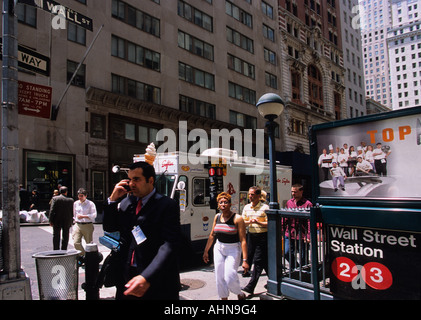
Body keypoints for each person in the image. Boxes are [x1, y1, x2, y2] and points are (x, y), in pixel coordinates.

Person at [103, 161, 181, 300]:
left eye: (136, 179)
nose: (131, 184)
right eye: (130, 179)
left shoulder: (167, 205)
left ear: (150, 181)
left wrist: (147, 277)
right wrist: (113, 200)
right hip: (128, 278)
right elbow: (109, 227)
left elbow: (169, 245)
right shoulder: (127, 202)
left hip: (155, 280)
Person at [203, 192, 248, 300]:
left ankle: (239, 293)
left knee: (230, 276)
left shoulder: (238, 218)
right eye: (221, 202)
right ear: (218, 205)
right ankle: (223, 298)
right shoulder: (217, 217)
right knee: (219, 276)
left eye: (225, 202)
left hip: (233, 249)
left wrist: (245, 260)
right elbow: (212, 235)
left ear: (230, 204)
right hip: (219, 247)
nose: (223, 204)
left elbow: (243, 240)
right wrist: (206, 251)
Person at [241, 186, 269, 295]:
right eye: (249, 194)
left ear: (258, 195)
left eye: (252, 194)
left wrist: (259, 222)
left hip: (262, 236)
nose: (250, 196)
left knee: (258, 261)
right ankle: (276, 280)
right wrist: (250, 222)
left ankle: (250, 287)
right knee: (262, 261)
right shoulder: (247, 207)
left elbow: (269, 223)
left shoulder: (265, 207)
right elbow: (243, 221)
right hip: (251, 236)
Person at [284, 184, 312, 269]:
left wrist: (308, 235)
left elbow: (309, 222)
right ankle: (295, 267)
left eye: (295, 192)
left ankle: (303, 273)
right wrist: (282, 231)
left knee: (303, 256)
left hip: (302, 234)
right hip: (290, 233)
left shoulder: (307, 204)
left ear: (301, 191)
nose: (293, 193)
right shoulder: (289, 202)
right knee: (286, 252)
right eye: (292, 191)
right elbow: (285, 218)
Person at [72, 188, 97, 256]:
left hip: (87, 225)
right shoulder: (76, 203)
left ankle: (90, 257)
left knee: (89, 243)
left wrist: (83, 216)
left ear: (86, 196)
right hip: (78, 224)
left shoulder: (90, 204)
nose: (80, 197)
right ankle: (83, 255)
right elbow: (74, 214)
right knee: (76, 242)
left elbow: (94, 215)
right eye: (79, 196)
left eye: (82, 196)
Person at [49, 186, 74, 250]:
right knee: (66, 235)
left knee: (56, 235)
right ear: (66, 192)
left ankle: (56, 249)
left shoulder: (55, 199)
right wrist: (71, 220)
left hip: (57, 220)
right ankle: (64, 249)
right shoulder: (71, 200)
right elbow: (72, 211)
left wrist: (50, 220)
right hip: (67, 220)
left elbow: (52, 210)